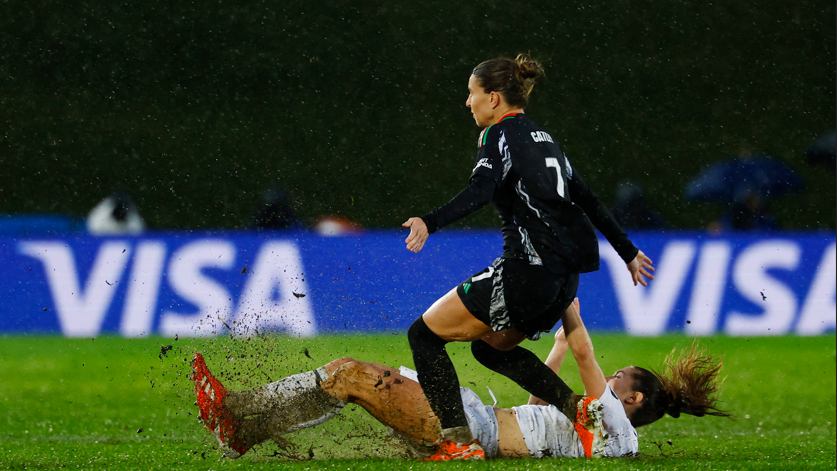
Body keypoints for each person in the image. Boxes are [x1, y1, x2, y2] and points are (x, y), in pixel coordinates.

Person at [401, 54, 654, 459]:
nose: (468, 103)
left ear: (494, 98)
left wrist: (430, 221)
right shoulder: (545, 138)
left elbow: (482, 189)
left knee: (423, 336)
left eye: (472, 94)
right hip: (564, 279)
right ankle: (578, 411)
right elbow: (586, 198)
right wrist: (628, 251)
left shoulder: (498, 135)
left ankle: (458, 443)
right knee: (488, 347)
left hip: (527, 273)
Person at [189, 300, 729, 461]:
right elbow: (545, 404)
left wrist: (568, 310)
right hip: (476, 417)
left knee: (346, 375)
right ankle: (241, 433)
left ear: (630, 398)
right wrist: (558, 347)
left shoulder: (618, 428)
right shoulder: (602, 430)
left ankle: (233, 406)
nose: (606, 380)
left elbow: (589, 354)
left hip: (470, 429)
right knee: (345, 381)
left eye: (617, 380)